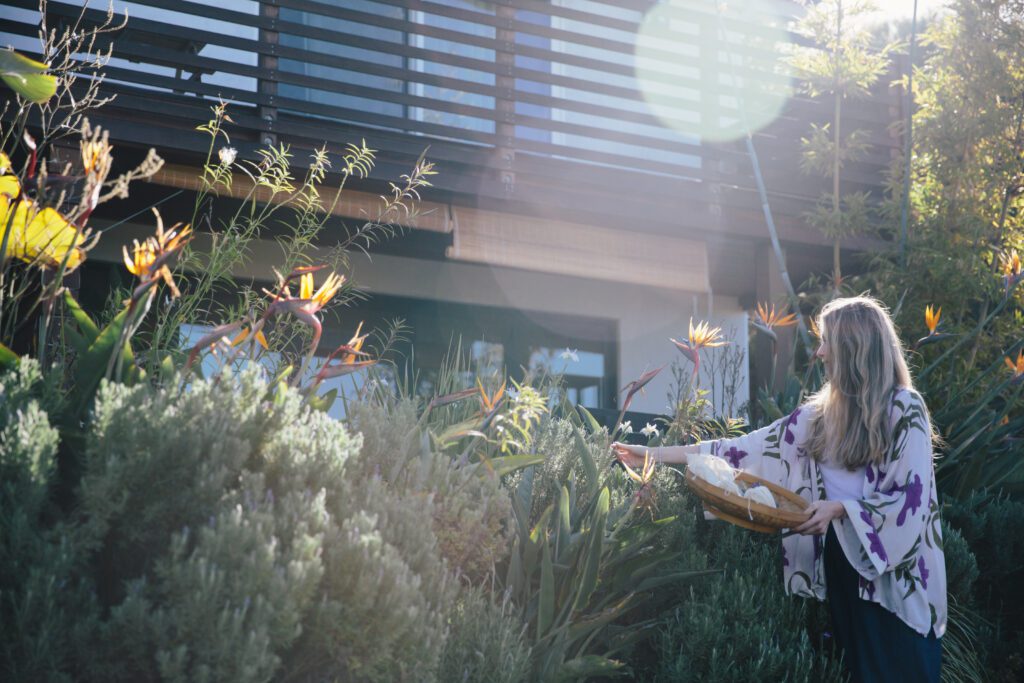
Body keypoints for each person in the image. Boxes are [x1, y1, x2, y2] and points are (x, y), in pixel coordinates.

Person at [613, 296, 945, 683]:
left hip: (895, 583)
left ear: (854, 348)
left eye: (827, 342)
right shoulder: (820, 416)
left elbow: (912, 498)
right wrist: (651, 453)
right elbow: (738, 449)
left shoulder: (904, 408)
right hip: (841, 566)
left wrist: (839, 509)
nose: (819, 352)